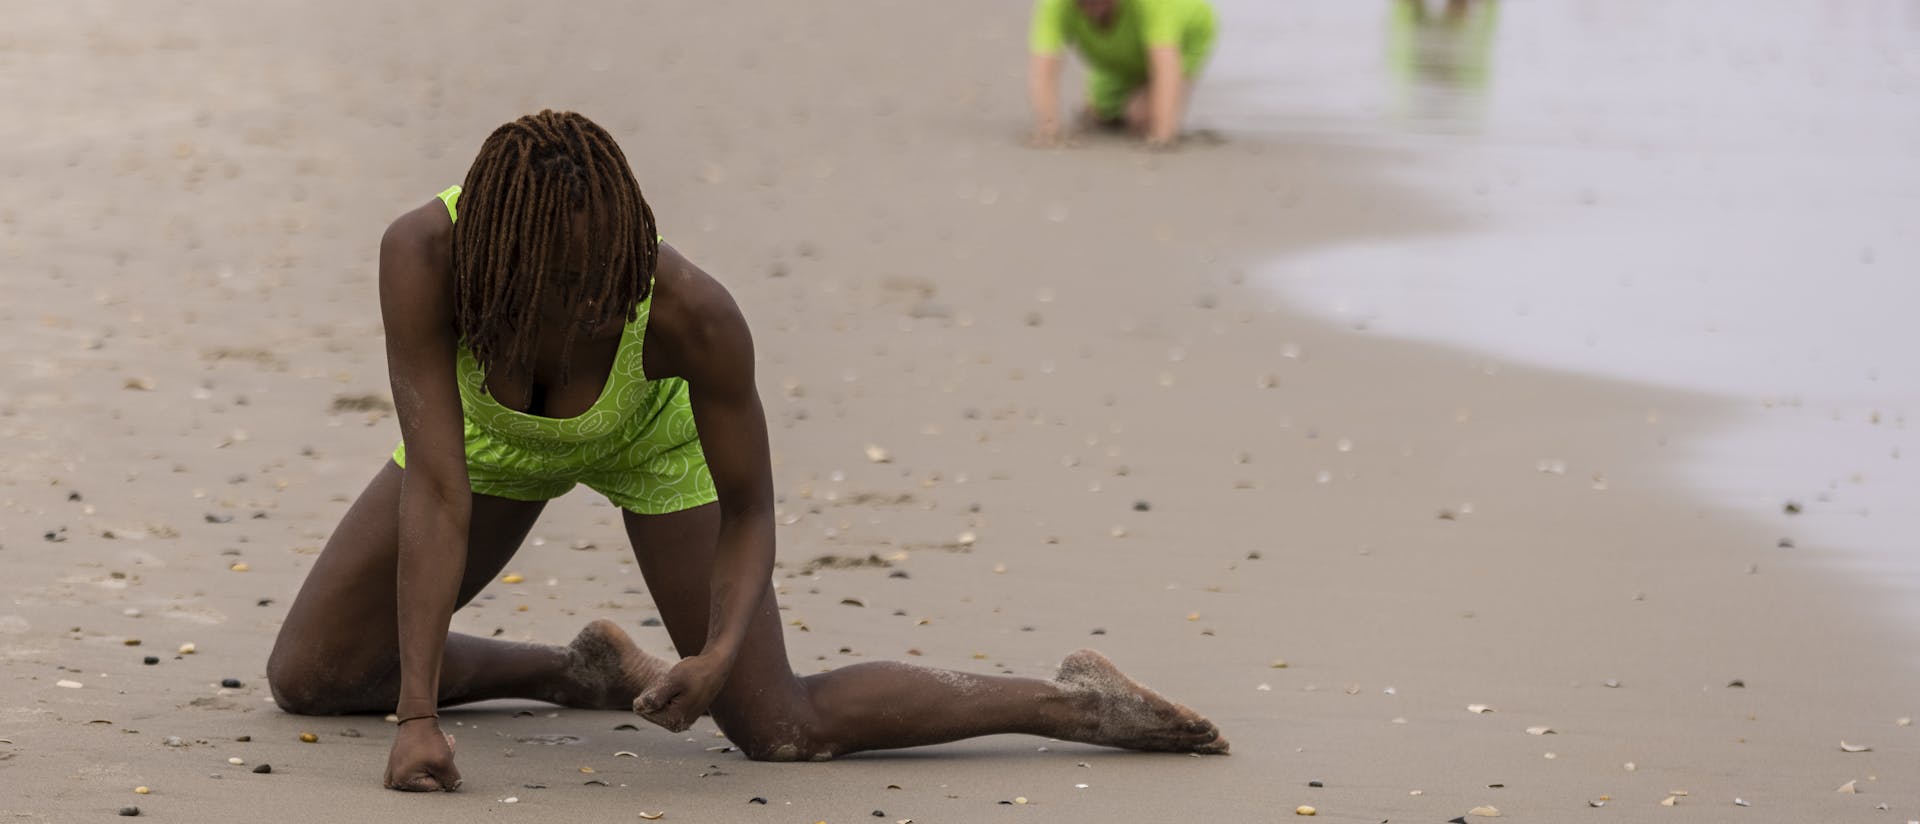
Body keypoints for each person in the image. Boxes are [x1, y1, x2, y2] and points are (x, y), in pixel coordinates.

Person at [265, 110, 1229, 793]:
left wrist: (721, 651)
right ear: (500, 264)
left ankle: (1070, 703)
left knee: (781, 731)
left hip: (650, 442)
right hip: (486, 448)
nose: (604, 306)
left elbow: (753, 507)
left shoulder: (692, 315)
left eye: (617, 280)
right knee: (311, 678)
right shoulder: (424, 257)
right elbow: (438, 487)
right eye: (573, 291)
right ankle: (582, 671)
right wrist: (418, 720)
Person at [1027, 0, 1218, 148]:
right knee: (1099, 114)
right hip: (1120, 53)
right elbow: (1044, 67)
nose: (1095, 6)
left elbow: (1166, 66)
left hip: (1182, 39)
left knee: (1141, 118)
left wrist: (1162, 134)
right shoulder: (1055, 5)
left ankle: (1146, 99)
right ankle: (1128, 89)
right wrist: (1049, 126)